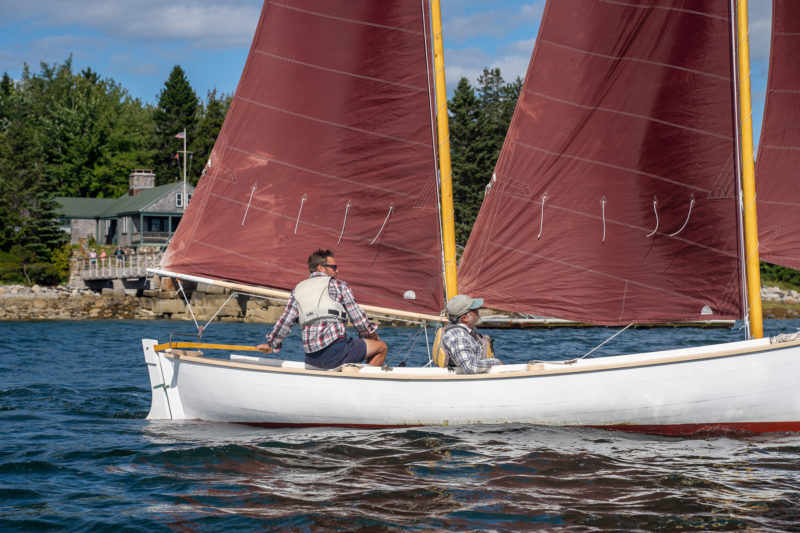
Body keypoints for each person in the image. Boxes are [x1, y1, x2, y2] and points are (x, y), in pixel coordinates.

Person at [255, 249, 388, 369]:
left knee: (354, 349)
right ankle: (361, 386)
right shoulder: (338, 285)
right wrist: (370, 335)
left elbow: (285, 322)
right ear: (321, 268)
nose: (337, 271)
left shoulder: (297, 290)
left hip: (311, 358)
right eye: (334, 267)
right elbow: (359, 320)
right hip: (336, 353)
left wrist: (271, 344)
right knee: (381, 348)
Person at [440, 294, 502, 374]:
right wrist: (495, 362)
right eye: (474, 309)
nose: (478, 310)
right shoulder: (458, 335)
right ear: (464, 318)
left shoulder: (466, 331)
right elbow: (470, 367)